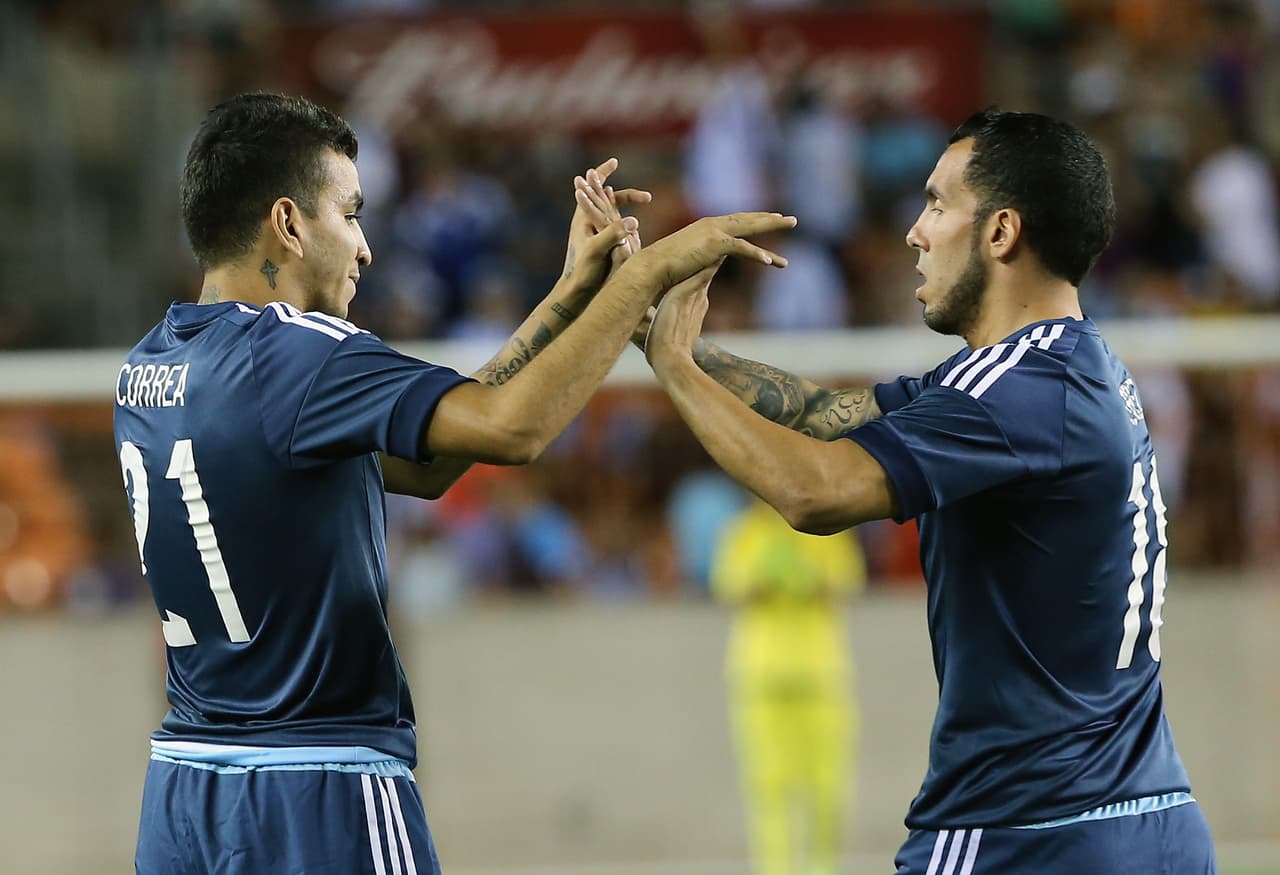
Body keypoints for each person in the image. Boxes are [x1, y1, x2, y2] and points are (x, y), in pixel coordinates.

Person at [114, 92, 795, 875]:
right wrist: (641, 282)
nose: (365, 248)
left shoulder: (152, 365)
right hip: (317, 786)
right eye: (351, 213)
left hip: (184, 786)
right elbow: (514, 429)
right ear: (290, 225)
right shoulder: (299, 355)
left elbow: (426, 464)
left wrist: (568, 295)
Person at [638, 109, 1218, 873]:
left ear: (1001, 231)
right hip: (1151, 818)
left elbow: (814, 492)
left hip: (1027, 827)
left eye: (938, 204)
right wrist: (658, 336)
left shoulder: (1014, 392)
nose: (914, 231)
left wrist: (676, 370)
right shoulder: (1070, 370)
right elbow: (824, 417)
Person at [710, 498, 864, 875]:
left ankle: (822, 869)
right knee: (768, 788)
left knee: (827, 789)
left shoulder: (828, 527)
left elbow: (848, 582)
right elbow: (729, 588)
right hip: (762, 674)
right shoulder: (745, 532)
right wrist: (765, 573)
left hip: (820, 674)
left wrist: (808, 575)